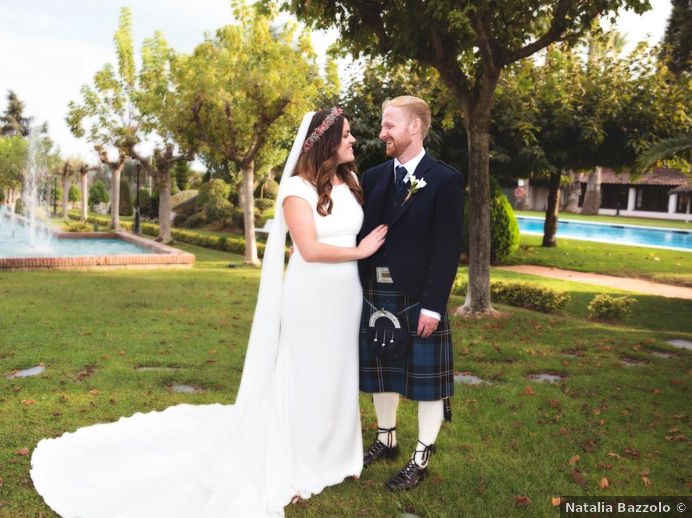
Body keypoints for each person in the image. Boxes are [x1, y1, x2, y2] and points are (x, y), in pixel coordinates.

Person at [30, 108, 386, 517]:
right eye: (345, 135)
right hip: (312, 292)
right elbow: (307, 248)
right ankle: (299, 458)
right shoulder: (296, 189)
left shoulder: (352, 181)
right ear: (325, 142)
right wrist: (358, 251)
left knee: (339, 370)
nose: (353, 141)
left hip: (346, 293)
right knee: (305, 372)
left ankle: (339, 455)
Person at [356, 95, 464, 491]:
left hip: (418, 297)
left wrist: (434, 307)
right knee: (383, 371)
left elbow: (448, 247)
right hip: (374, 293)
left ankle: (421, 457)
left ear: (414, 127)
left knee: (425, 382)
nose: (382, 132)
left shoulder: (445, 179)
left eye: (390, 125)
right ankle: (386, 439)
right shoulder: (373, 177)